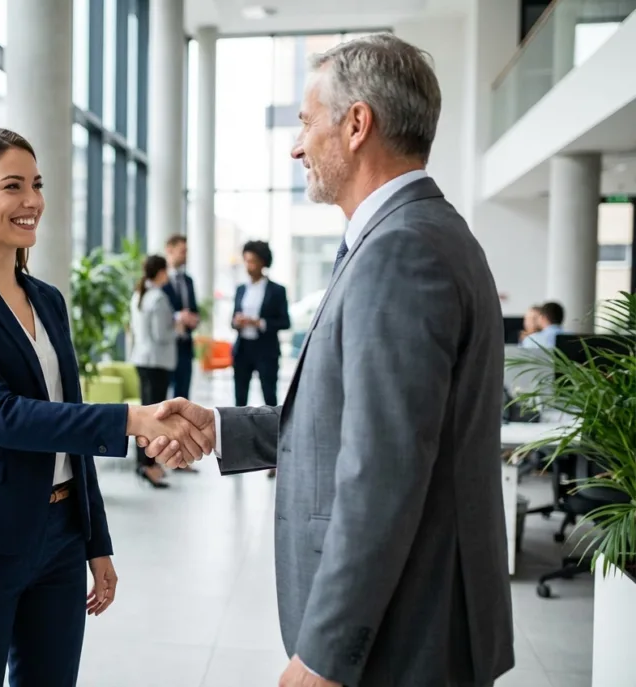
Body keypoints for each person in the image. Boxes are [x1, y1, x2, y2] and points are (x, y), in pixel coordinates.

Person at [142, 34, 514, 687]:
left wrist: (324, 654)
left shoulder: (402, 251)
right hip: (420, 619)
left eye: (305, 123)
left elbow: (383, 470)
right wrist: (219, 426)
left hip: (407, 635)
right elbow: (351, 423)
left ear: (356, 124)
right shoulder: (418, 234)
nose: (296, 146)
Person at [0, 126, 212, 687]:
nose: (32, 201)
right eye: (12, 185)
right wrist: (133, 420)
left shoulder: (47, 299)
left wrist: (95, 541)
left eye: (36, 185)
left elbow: (68, 416)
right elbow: (0, 416)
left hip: (60, 537)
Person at [129, 254, 177, 488]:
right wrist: (177, 325)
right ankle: (147, 465)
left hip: (141, 358)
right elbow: (161, 335)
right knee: (154, 417)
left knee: (145, 414)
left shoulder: (138, 294)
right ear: (159, 272)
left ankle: (147, 463)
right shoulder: (158, 298)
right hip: (156, 362)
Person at [232, 240, 291, 407]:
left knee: (269, 395)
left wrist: (260, 323)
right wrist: (237, 322)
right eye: (246, 261)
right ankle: (238, 431)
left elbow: (285, 322)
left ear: (262, 263)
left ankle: (272, 431)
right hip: (243, 349)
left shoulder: (277, 290)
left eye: (252, 261)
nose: (248, 266)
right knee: (240, 397)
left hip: (266, 350)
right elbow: (232, 319)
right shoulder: (241, 289)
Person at [161, 235, 199, 399]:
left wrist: (193, 319)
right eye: (182, 251)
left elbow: (194, 308)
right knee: (162, 396)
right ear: (169, 250)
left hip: (184, 345)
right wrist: (178, 317)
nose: (186, 255)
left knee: (183, 396)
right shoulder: (160, 280)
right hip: (165, 345)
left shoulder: (188, 280)